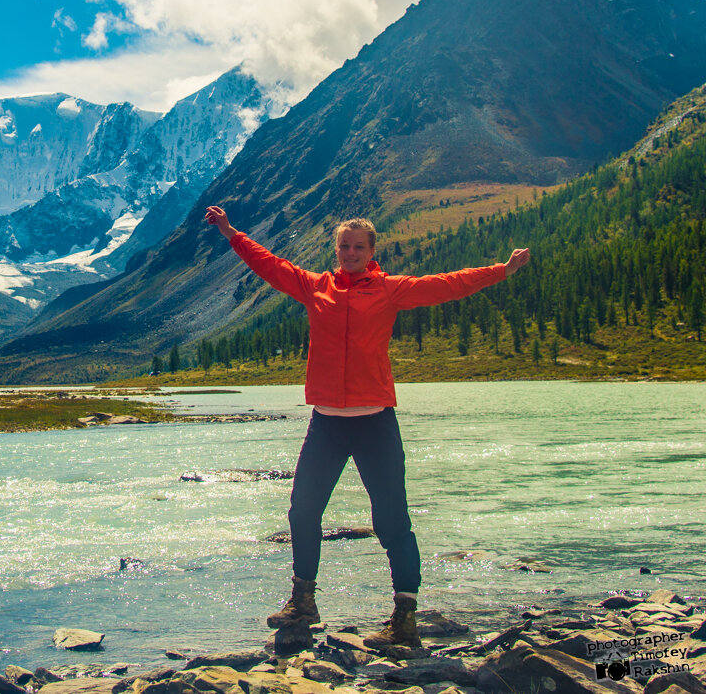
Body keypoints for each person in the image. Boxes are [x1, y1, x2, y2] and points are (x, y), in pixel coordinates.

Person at [204, 205, 530, 647]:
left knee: (392, 522)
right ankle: (304, 602)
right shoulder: (314, 286)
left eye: (358, 247)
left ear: (372, 251)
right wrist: (231, 233)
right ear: (336, 250)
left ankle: (404, 617)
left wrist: (501, 271)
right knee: (302, 512)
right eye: (344, 246)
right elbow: (270, 264)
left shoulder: (390, 290)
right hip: (327, 425)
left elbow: (447, 285)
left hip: (374, 423)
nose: (350, 252)